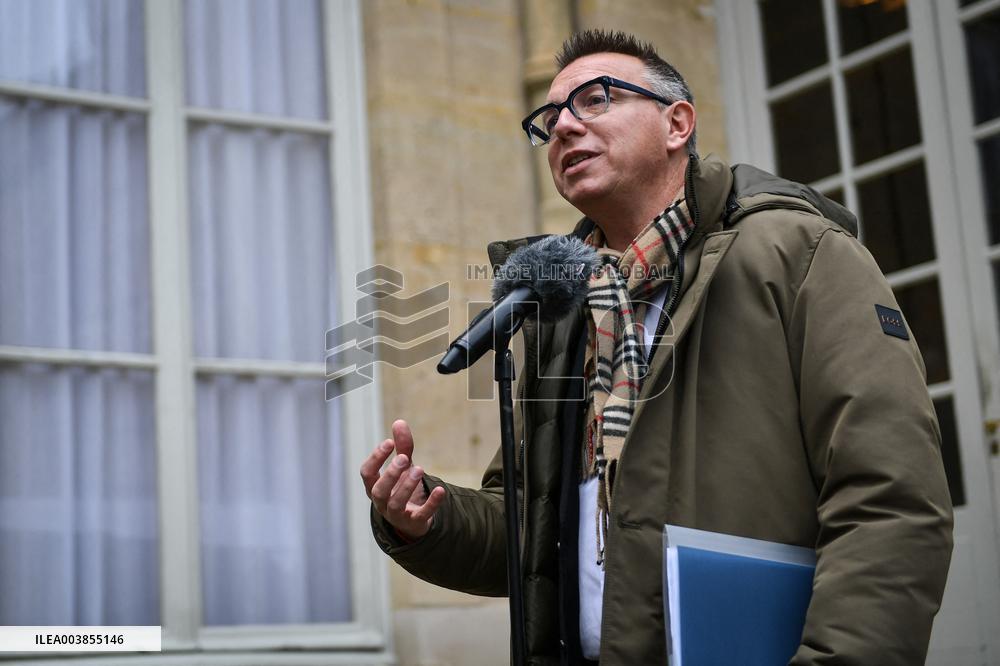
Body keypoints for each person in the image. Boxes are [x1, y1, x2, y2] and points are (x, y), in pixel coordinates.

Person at [360, 29, 953, 666]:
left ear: (677, 124)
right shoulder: (560, 308)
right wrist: (424, 519)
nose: (564, 127)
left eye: (596, 99)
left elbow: (890, 500)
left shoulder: (800, 256)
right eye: (549, 119)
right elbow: (530, 535)